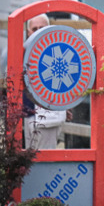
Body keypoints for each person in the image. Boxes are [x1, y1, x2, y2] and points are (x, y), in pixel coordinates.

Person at [22, 14, 69, 149]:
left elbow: (66, 83)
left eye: (42, 28)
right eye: (34, 29)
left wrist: (65, 106)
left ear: (48, 29)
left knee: (45, 158)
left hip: (48, 118)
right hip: (28, 115)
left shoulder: (57, 52)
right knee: (30, 159)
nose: (38, 32)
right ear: (28, 32)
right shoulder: (25, 51)